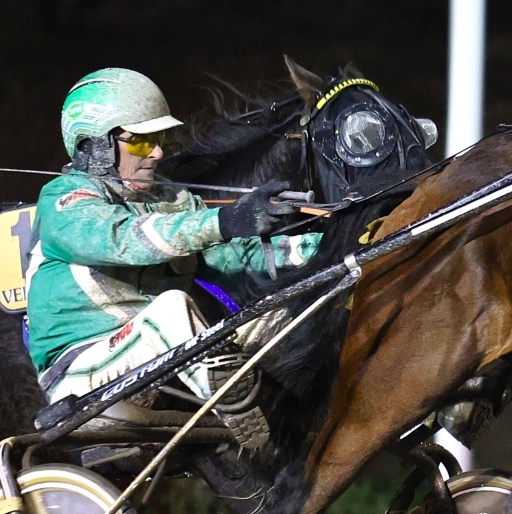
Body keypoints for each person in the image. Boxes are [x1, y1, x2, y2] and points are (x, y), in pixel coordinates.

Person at [28, 68, 320, 448]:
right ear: (95, 146)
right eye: (140, 142)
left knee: (283, 315)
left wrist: (334, 244)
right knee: (171, 308)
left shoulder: (171, 198)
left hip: (163, 358)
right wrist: (226, 220)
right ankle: (251, 429)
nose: (158, 153)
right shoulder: (63, 200)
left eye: (160, 140)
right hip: (82, 378)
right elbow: (124, 239)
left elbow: (235, 256)